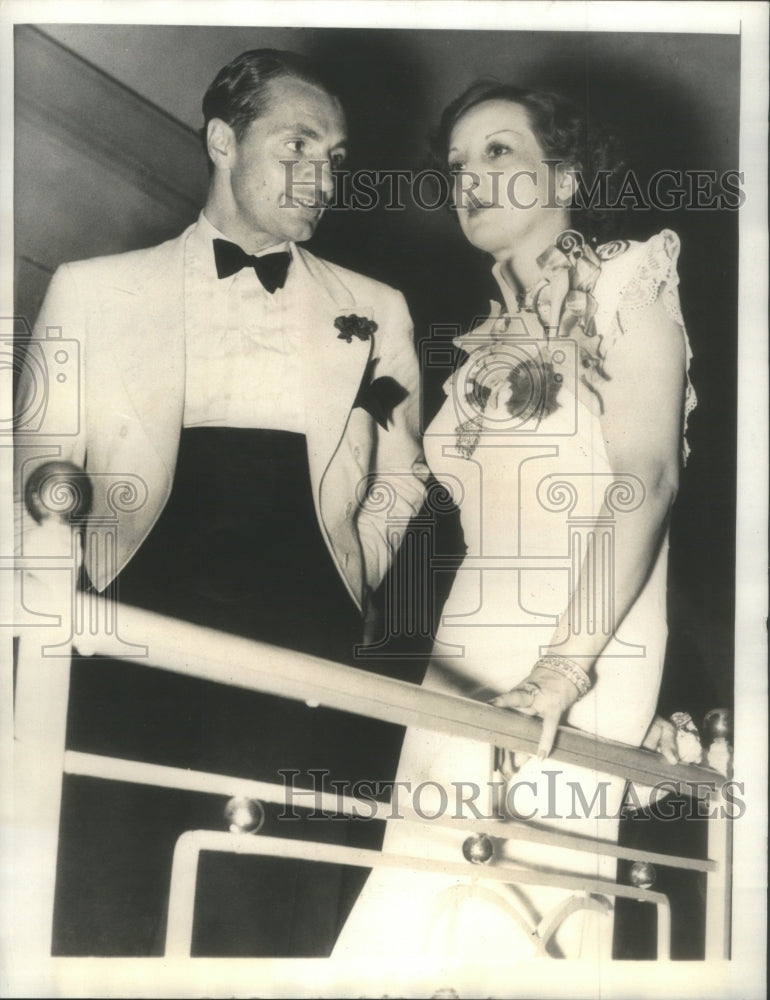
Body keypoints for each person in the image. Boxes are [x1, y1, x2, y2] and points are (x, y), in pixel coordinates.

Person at [14, 49, 428, 956]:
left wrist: (356, 568)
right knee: (114, 891)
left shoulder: (378, 309)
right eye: (298, 144)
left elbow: (402, 477)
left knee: (266, 900)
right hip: (133, 626)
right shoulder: (91, 288)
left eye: (338, 156)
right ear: (221, 140)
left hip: (305, 635)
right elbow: (38, 470)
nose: (323, 175)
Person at [333, 81, 695, 963]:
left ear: (564, 173)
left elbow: (645, 477)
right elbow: (405, 483)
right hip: (464, 645)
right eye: (457, 163)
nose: (468, 178)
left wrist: (564, 669)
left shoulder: (626, 279)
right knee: (420, 884)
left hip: (580, 632)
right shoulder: (485, 346)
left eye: (498, 152)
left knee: (522, 905)